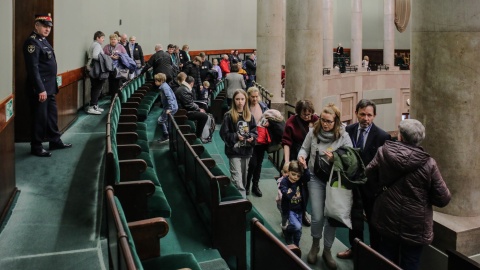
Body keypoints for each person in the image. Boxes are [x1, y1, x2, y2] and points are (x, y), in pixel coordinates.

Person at [366, 119, 451, 270]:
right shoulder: (429, 164)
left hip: (387, 216)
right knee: (410, 262)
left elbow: (369, 175)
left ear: (401, 137)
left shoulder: (383, 152)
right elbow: (443, 198)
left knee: (386, 258)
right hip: (415, 224)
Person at [298, 103, 353, 269]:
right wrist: (301, 157)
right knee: (316, 215)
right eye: (322, 120)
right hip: (315, 177)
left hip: (334, 181)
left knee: (331, 216)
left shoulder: (343, 136)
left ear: (335, 121)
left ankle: (327, 250)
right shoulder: (313, 132)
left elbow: (351, 159)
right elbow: (304, 149)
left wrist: (334, 159)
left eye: (329, 121)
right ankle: (315, 245)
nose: (325, 124)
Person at [336, 99, 391, 259]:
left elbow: (383, 165)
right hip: (352, 185)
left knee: (374, 224)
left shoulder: (382, 136)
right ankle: (354, 248)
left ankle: (374, 254)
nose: (365, 118)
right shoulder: (349, 130)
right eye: (362, 114)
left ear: (374, 116)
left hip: (371, 189)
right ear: (356, 114)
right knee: (353, 220)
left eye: (369, 115)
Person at [23, 13, 72, 157]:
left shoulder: (43, 40)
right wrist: (40, 89)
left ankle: (55, 140)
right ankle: (36, 146)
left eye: (49, 27)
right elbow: (33, 68)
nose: (47, 29)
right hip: (41, 89)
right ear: (36, 25)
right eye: (44, 26)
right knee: (40, 118)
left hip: (49, 87)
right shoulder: (32, 42)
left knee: (51, 116)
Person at [282, 100, 318, 227]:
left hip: (307, 160)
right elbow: (287, 142)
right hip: (293, 157)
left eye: (309, 114)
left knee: (305, 187)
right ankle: (287, 212)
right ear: (298, 113)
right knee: (291, 185)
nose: (307, 117)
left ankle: (302, 213)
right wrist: (287, 162)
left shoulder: (316, 120)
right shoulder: (291, 122)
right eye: (304, 115)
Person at [220, 89, 258, 198]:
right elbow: (224, 133)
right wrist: (236, 136)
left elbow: (255, 132)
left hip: (246, 151)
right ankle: (242, 201)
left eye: (242, 99)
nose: (240, 102)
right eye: (237, 99)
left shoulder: (250, 116)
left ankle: (234, 195)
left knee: (244, 177)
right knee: (237, 176)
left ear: (246, 100)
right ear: (234, 101)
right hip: (234, 150)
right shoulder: (228, 115)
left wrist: (252, 138)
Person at [279, 160, 310, 247]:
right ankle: (287, 230)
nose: (295, 177)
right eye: (293, 174)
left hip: (299, 209)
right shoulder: (284, 182)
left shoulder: (299, 181)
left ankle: (296, 245)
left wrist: (305, 167)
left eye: (298, 176)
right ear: (288, 172)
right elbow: (288, 196)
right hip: (290, 210)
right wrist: (293, 186)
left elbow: (307, 178)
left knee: (299, 231)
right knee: (297, 226)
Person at [245, 87, 269, 197]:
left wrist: (268, 123)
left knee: (258, 164)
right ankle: (247, 185)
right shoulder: (246, 107)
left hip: (262, 139)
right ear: (249, 96)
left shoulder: (263, 106)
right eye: (253, 97)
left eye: (256, 96)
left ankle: (255, 186)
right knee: (252, 164)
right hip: (251, 139)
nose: (255, 99)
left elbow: (269, 118)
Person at [174, 75, 209, 141]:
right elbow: (189, 105)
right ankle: (197, 136)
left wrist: (198, 108)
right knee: (204, 116)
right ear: (192, 83)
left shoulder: (183, 88)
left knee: (201, 111)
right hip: (183, 112)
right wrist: (199, 109)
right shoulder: (184, 90)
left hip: (184, 110)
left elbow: (190, 103)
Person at [85, 31, 106, 115]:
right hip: (94, 69)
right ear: (97, 38)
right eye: (102, 38)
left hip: (92, 69)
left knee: (96, 87)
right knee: (96, 88)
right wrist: (105, 58)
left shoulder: (94, 44)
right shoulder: (97, 45)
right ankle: (92, 106)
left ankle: (95, 105)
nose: (103, 40)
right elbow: (95, 56)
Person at [154, 73, 178, 143]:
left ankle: (166, 135)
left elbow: (169, 98)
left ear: (161, 81)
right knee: (167, 122)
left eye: (156, 81)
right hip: (170, 107)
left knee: (160, 121)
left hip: (171, 107)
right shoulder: (164, 86)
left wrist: (170, 108)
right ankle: (169, 135)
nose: (155, 82)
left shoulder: (164, 87)